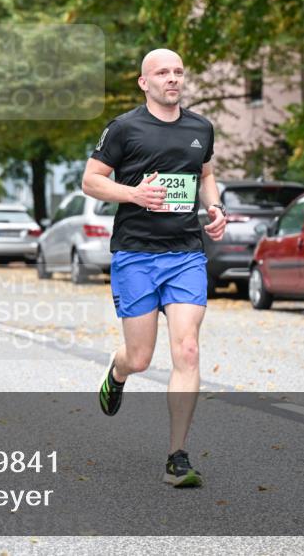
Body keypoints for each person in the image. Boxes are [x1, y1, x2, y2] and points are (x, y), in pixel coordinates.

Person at [83, 48, 226, 489]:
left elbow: (204, 175)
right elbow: (91, 180)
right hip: (136, 254)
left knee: (187, 351)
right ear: (144, 82)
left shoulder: (201, 128)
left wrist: (215, 207)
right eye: (162, 72)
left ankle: (177, 455)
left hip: (185, 253)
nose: (172, 79)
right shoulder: (125, 128)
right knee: (141, 357)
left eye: (178, 72)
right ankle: (119, 369)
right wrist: (134, 195)